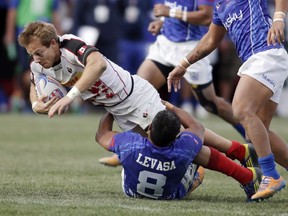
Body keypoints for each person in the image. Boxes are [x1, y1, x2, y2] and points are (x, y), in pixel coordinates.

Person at [167, 0, 288, 201]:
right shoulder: (219, 6)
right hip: (256, 61)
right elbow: (210, 40)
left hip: (267, 54)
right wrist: (183, 65)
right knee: (257, 132)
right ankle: (271, 174)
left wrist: (278, 19)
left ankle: (270, 175)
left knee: (241, 109)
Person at [96, 100, 262, 200]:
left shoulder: (130, 143)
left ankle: (242, 154)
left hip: (132, 191)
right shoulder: (183, 147)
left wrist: (112, 109)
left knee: (127, 150)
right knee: (196, 150)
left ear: (150, 127)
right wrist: (172, 107)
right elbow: (197, 127)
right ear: (176, 136)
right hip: (172, 193)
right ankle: (247, 176)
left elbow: (102, 134)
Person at [136, 1, 247, 139]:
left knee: (211, 103)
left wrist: (170, 13)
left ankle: (249, 133)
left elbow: (207, 17)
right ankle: (132, 146)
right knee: (138, 93)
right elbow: (175, 6)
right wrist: (164, 22)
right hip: (165, 45)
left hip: (190, 48)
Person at [4, 0, 62, 112]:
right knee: (26, 70)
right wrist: (9, 33)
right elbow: (12, 11)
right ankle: (22, 99)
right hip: (26, 36)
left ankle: (41, 99)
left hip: (45, 37)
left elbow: (54, 13)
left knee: (47, 70)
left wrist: (59, 34)